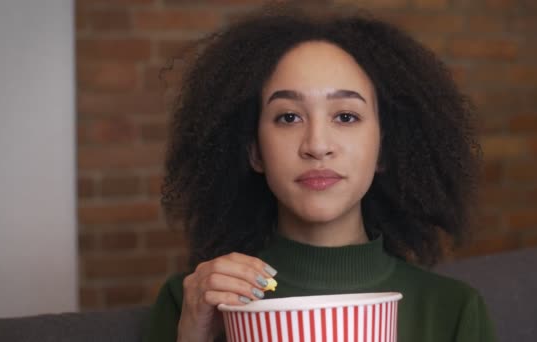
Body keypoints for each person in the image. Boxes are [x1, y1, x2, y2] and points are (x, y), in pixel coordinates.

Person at [145, 3, 496, 342]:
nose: (317, 145)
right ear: (254, 151)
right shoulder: (193, 303)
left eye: (345, 116)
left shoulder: (453, 311)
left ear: (384, 150)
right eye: (289, 117)